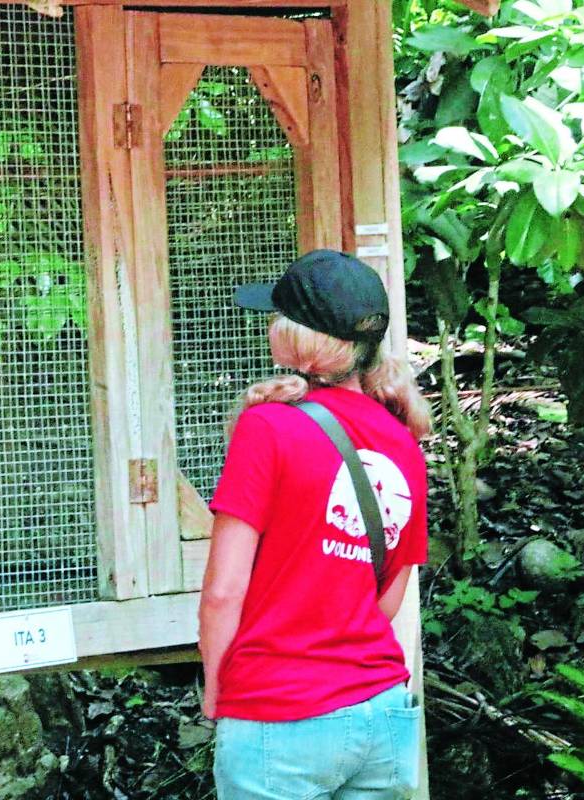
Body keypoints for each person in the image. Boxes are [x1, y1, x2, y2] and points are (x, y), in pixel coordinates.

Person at [199, 250, 432, 800]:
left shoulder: (268, 428)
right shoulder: (405, 442)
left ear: (294, 339)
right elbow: (389, 595)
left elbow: (223, 592)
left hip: (279, 716)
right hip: (380, 710)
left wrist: (216, 685)